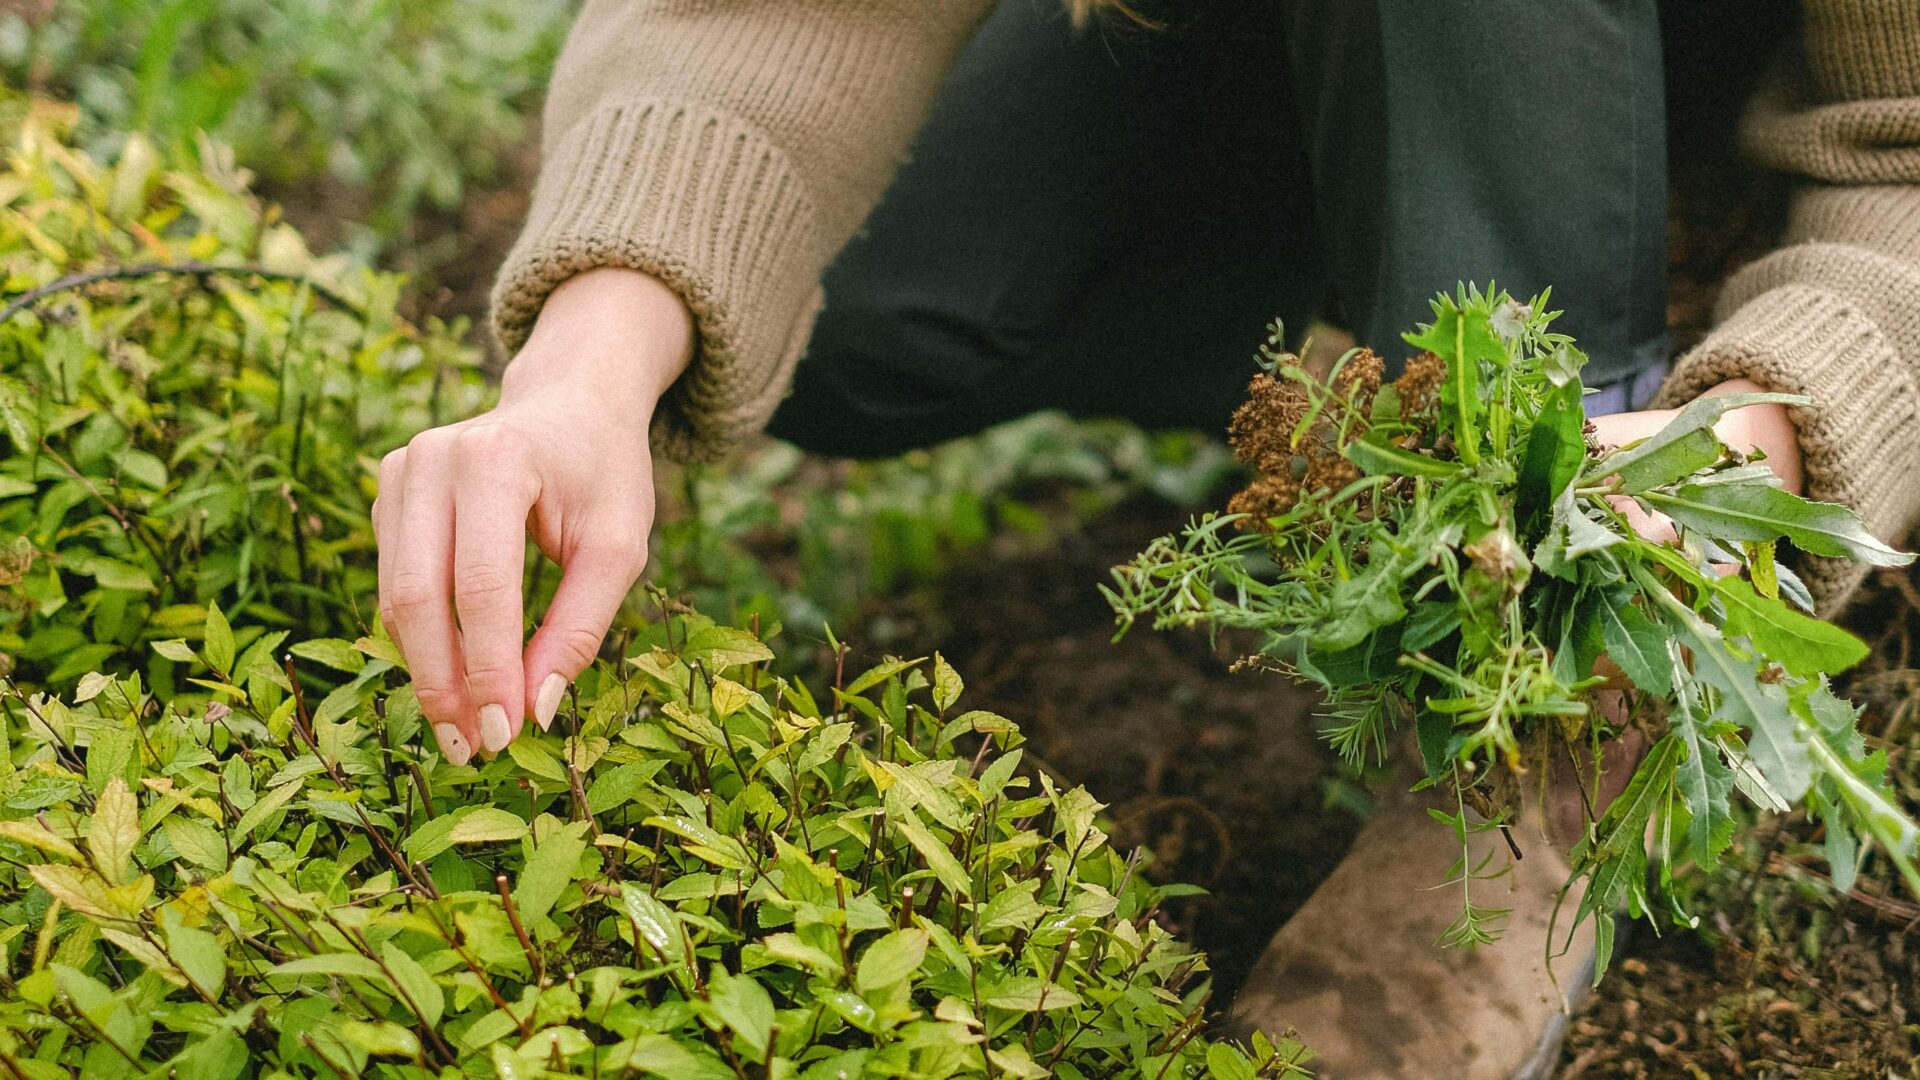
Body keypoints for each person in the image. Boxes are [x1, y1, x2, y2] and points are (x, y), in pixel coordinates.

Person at [371, 1, 1920, 1075]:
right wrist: (582, 367)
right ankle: (1407, 395)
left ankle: (1557, 664)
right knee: (878, 285)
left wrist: (1766, 424)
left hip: (1745, 92)